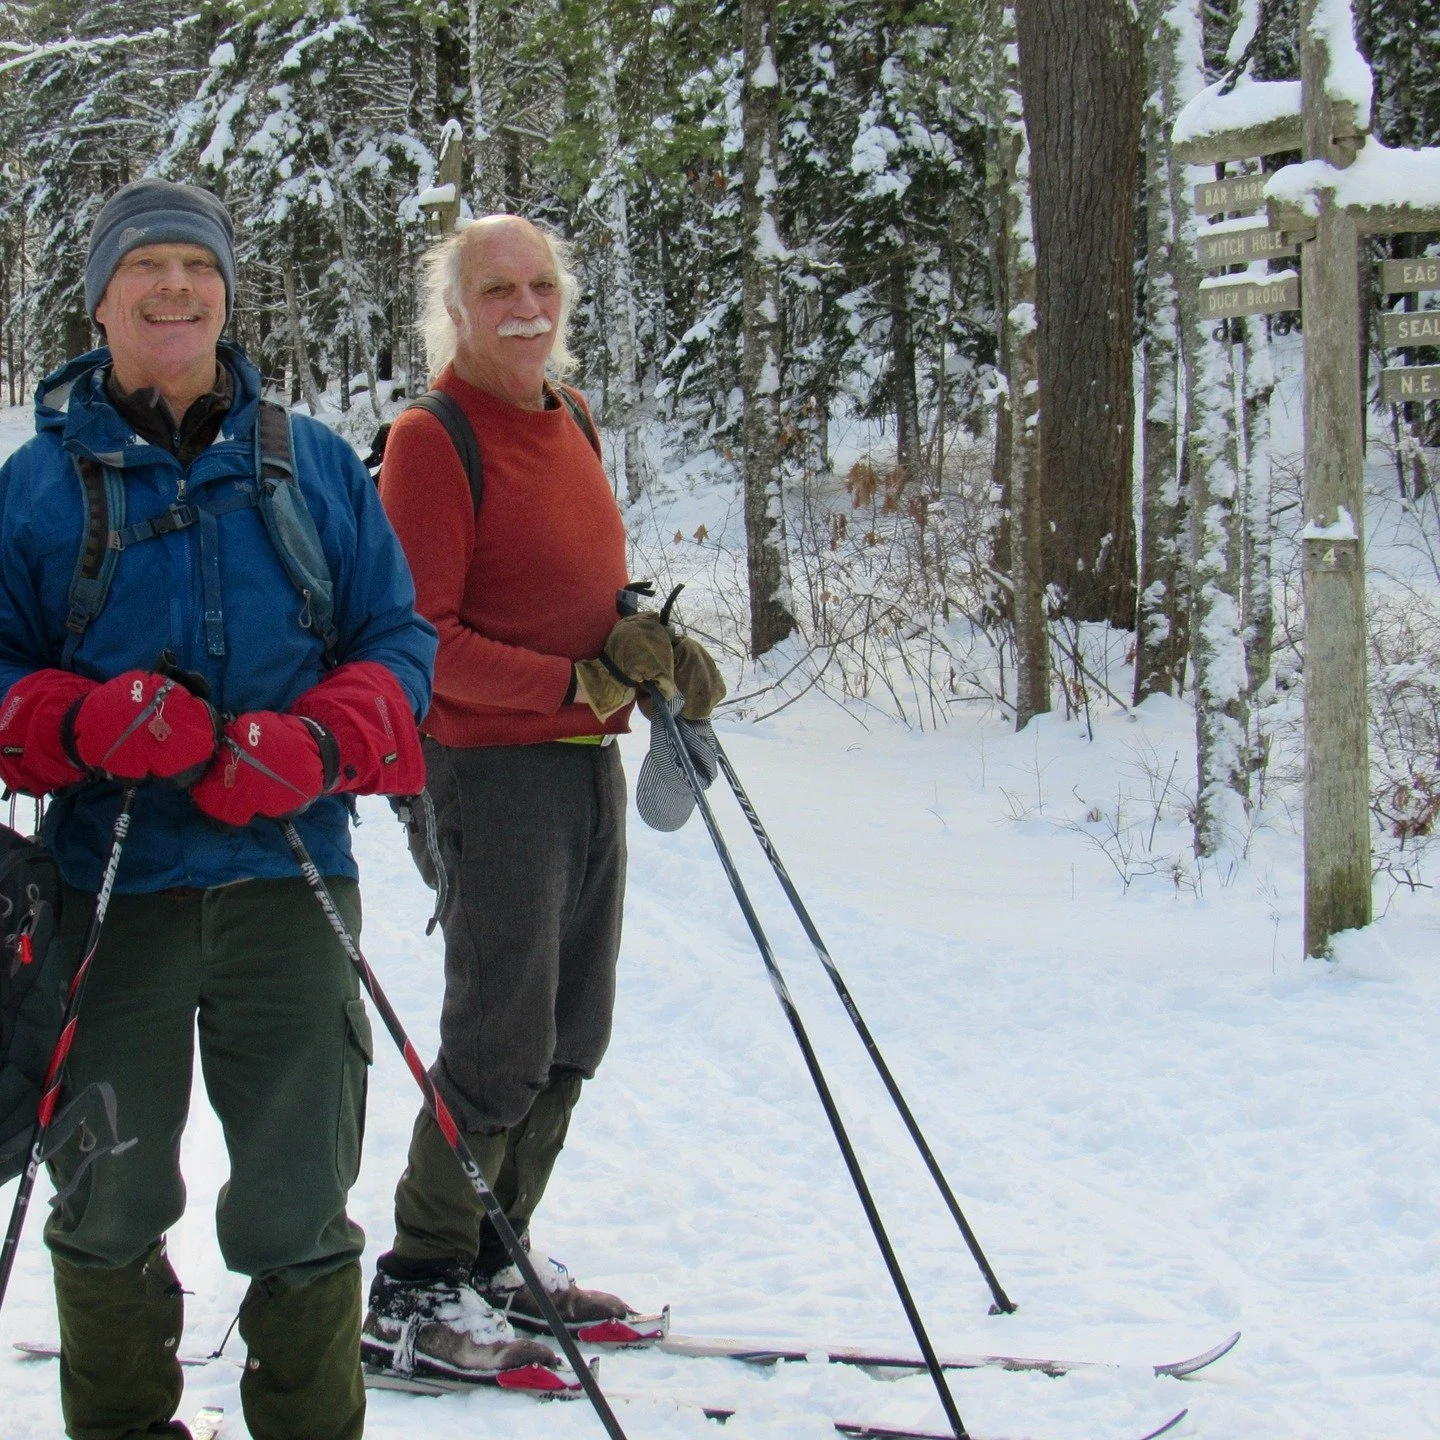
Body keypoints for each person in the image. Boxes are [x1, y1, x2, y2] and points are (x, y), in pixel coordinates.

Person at [0, 179, 437, 1440]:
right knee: (107, 1201)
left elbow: (398, 645)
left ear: (228, 295)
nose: (176, 287)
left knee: (299, 1206)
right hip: (106, 896)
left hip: (287, 884)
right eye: (146, 266)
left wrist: (315, 741)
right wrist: (80, 722)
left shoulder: (314, 468)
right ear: (100, 300)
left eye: (198, 266)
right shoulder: (36, 487)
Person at [365, 215, 724, 1383]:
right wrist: (575, 682)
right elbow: (422, 638)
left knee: (574, 1027)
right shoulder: (432, 440)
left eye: (540, 285)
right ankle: (417, 1286)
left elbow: (576, 585)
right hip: (489, 771)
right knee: (500, 1036)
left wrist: (643, 644)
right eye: (496, 290)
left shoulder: (570, 416)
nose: (525, 307)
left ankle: (493, 1250)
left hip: (583, 761)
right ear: (455, 311)